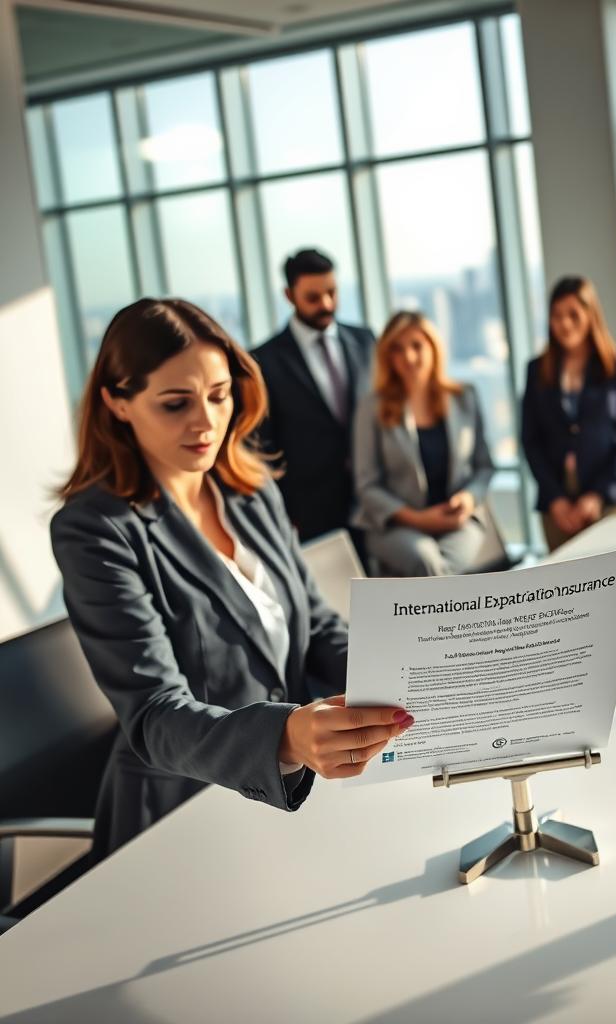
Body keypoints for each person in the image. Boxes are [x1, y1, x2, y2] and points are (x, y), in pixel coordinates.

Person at [51, 298, 412, 859]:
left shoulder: (251, 490)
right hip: (176, 818)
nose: (207, 422)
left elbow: (313, 628)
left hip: (286, 799)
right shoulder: (95, 529)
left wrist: (404, 674)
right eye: (176, 404)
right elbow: (154, 715)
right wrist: (285, 735)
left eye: (219, 396)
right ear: (117, 403)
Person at [351, 311, 494, 576]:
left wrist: (468, 498)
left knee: (439, 570)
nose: (408, 357)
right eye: (397, 349)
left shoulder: (464, 397)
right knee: (428, 563)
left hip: (458, 520)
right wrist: (418, 519)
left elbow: (483, 466)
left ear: (433, 348)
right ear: (387, 356)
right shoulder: (372, 408)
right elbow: (367, 486)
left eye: (416, 346)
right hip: (395, 524)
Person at [251, 249, 374, 544]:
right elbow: (262, 446)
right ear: (289, 295)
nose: (327, 304)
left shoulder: (365, 340)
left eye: (332, 292)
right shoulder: (263, 361)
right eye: (313, 297)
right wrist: (281, 514)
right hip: (308, 512)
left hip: (371, 502)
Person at [521, 276, 616, 551]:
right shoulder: (537, 371)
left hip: (609, 500)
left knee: (613, 583)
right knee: (565, 588)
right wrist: (555, 499)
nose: (564, 324)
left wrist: (596, 494)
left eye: (573, 315)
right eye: (557, 316)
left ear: (591, 315)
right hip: (557, 507)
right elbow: (531, 440)